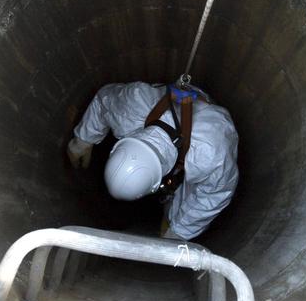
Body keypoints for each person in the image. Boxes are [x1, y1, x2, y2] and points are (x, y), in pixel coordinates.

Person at [67, 82, 239, 240]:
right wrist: (83, 140)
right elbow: (104, 102)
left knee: (193, 193)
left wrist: (179, 230)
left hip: (207, 122)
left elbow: (215, 192)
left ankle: (172, 215)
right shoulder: (130, 108)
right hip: (169, 115)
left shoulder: (210, 155)